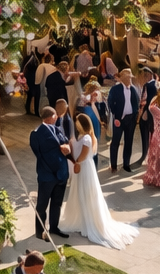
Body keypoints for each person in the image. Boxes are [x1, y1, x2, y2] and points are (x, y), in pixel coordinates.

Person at [60, 111, 139, 250]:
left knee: (86, 193)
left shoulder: (87, 139)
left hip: (84, 168)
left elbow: (83, 156)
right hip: (82, 167)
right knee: (80, 193)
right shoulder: (84, 137)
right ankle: (80, 218)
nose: (76, 126)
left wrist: (74, 161)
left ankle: (88, 221)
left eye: (77, 124)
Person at [31, 107, 72, 241]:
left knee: (57, 203)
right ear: (50, 116)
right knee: (42, 205)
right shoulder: (36, 134)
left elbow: (65, 140)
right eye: (55, 115)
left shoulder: (57, 129)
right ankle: (40, 232)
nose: (57, 117)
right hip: (47, 175)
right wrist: (52, 168)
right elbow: (39, 154)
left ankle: (54, 227)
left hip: (61, 174)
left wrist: (67, 148)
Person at [106, 68, 140, 173]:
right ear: (122, 79)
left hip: (130, 119)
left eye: (130, 78)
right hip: (119, 119)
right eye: (127, 78)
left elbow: (136, 102)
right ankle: (114, 165)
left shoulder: (133, 89)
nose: (129, 80)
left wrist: (135, 115)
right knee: (115, 142)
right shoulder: (115, 89)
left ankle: (126, 164)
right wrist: (115, 114)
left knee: (128, 142)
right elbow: (110, 102)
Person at [136, 68, 160, 164]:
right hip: (156, 113)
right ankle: (153, 157)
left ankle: (144, 155)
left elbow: (143, 100)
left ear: (148, 75)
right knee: (154, 136)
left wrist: (140, 110)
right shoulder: (159, 85)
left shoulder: (147, 86)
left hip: (147, 113)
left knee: (145, 135)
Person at [22, 48, 43, 116]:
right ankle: (36, 112)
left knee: (30, 95)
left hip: (29, 78)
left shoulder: (27, 59)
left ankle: (28, 110)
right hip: (35, 78)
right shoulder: (36, 60)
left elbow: (24, 68)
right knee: (37, 95)